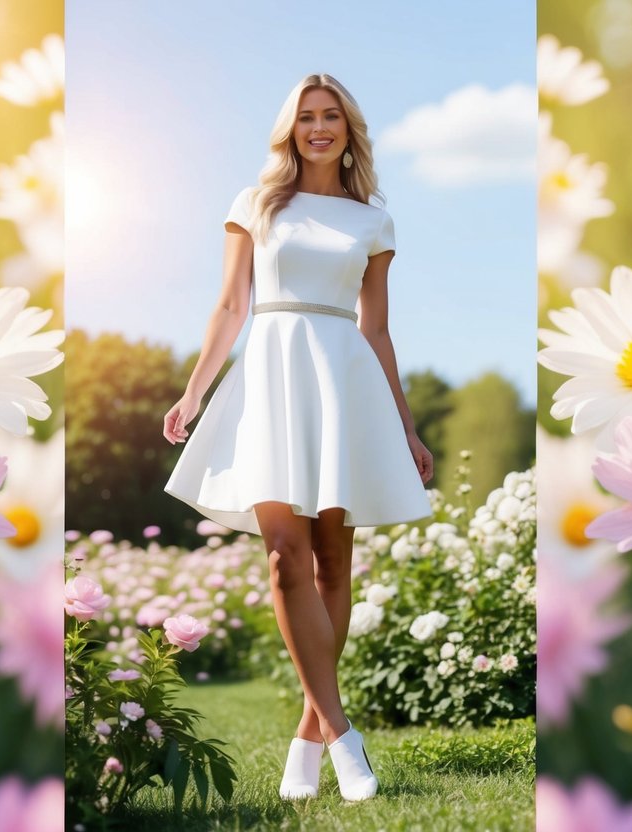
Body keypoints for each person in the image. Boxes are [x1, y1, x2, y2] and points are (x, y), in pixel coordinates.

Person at [162, 73, 433, 802]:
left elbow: (377, 329)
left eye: (331, 116)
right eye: (306, 116)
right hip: (270, 375)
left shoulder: (373, 222)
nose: (318, 127)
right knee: (286, 555)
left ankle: (306, 739)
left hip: (343, 380)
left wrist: (405, 426)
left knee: (333, 562)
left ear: (348, 131)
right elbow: (230, 305)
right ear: (290, 129)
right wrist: (194, 390)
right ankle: (343, 736)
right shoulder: (254, 204)